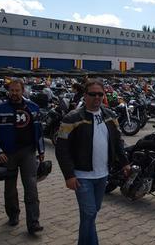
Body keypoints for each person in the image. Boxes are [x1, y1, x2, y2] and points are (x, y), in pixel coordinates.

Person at [55, 79, 130, 245]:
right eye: (92, 94)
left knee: (91, 213)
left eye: (100, 94)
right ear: (85, 95)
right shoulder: (72, 118)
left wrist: (124, 162)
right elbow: (62, 149)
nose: (97, 97)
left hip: (102, 175)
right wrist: (69, 175)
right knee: (89, 213)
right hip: (82, 176)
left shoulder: (110, 115)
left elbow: (118, 142)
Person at [0, 79, 44, 234]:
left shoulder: (33, 108)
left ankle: (33, 222)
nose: (14, 93)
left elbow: (39, 132)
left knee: (31, 187)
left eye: (17, 90)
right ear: (8, 91)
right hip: (8, 154)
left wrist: (42, 151)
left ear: (23, 90)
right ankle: (13, 215)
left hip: (28, 152)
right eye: (12, 90)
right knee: (10, 189)